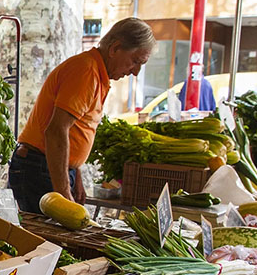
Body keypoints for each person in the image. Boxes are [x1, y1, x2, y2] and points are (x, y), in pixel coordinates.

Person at [9, 17, 155, 213]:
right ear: (115, 49)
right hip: (39, 168)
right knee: (46, 240)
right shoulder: (85, 71)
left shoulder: (95, 72)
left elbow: (74, 130)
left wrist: (75, 174)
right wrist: (63, 193)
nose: (135, 72)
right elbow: (56, 131)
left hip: (48, 167)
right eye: (135, 61)